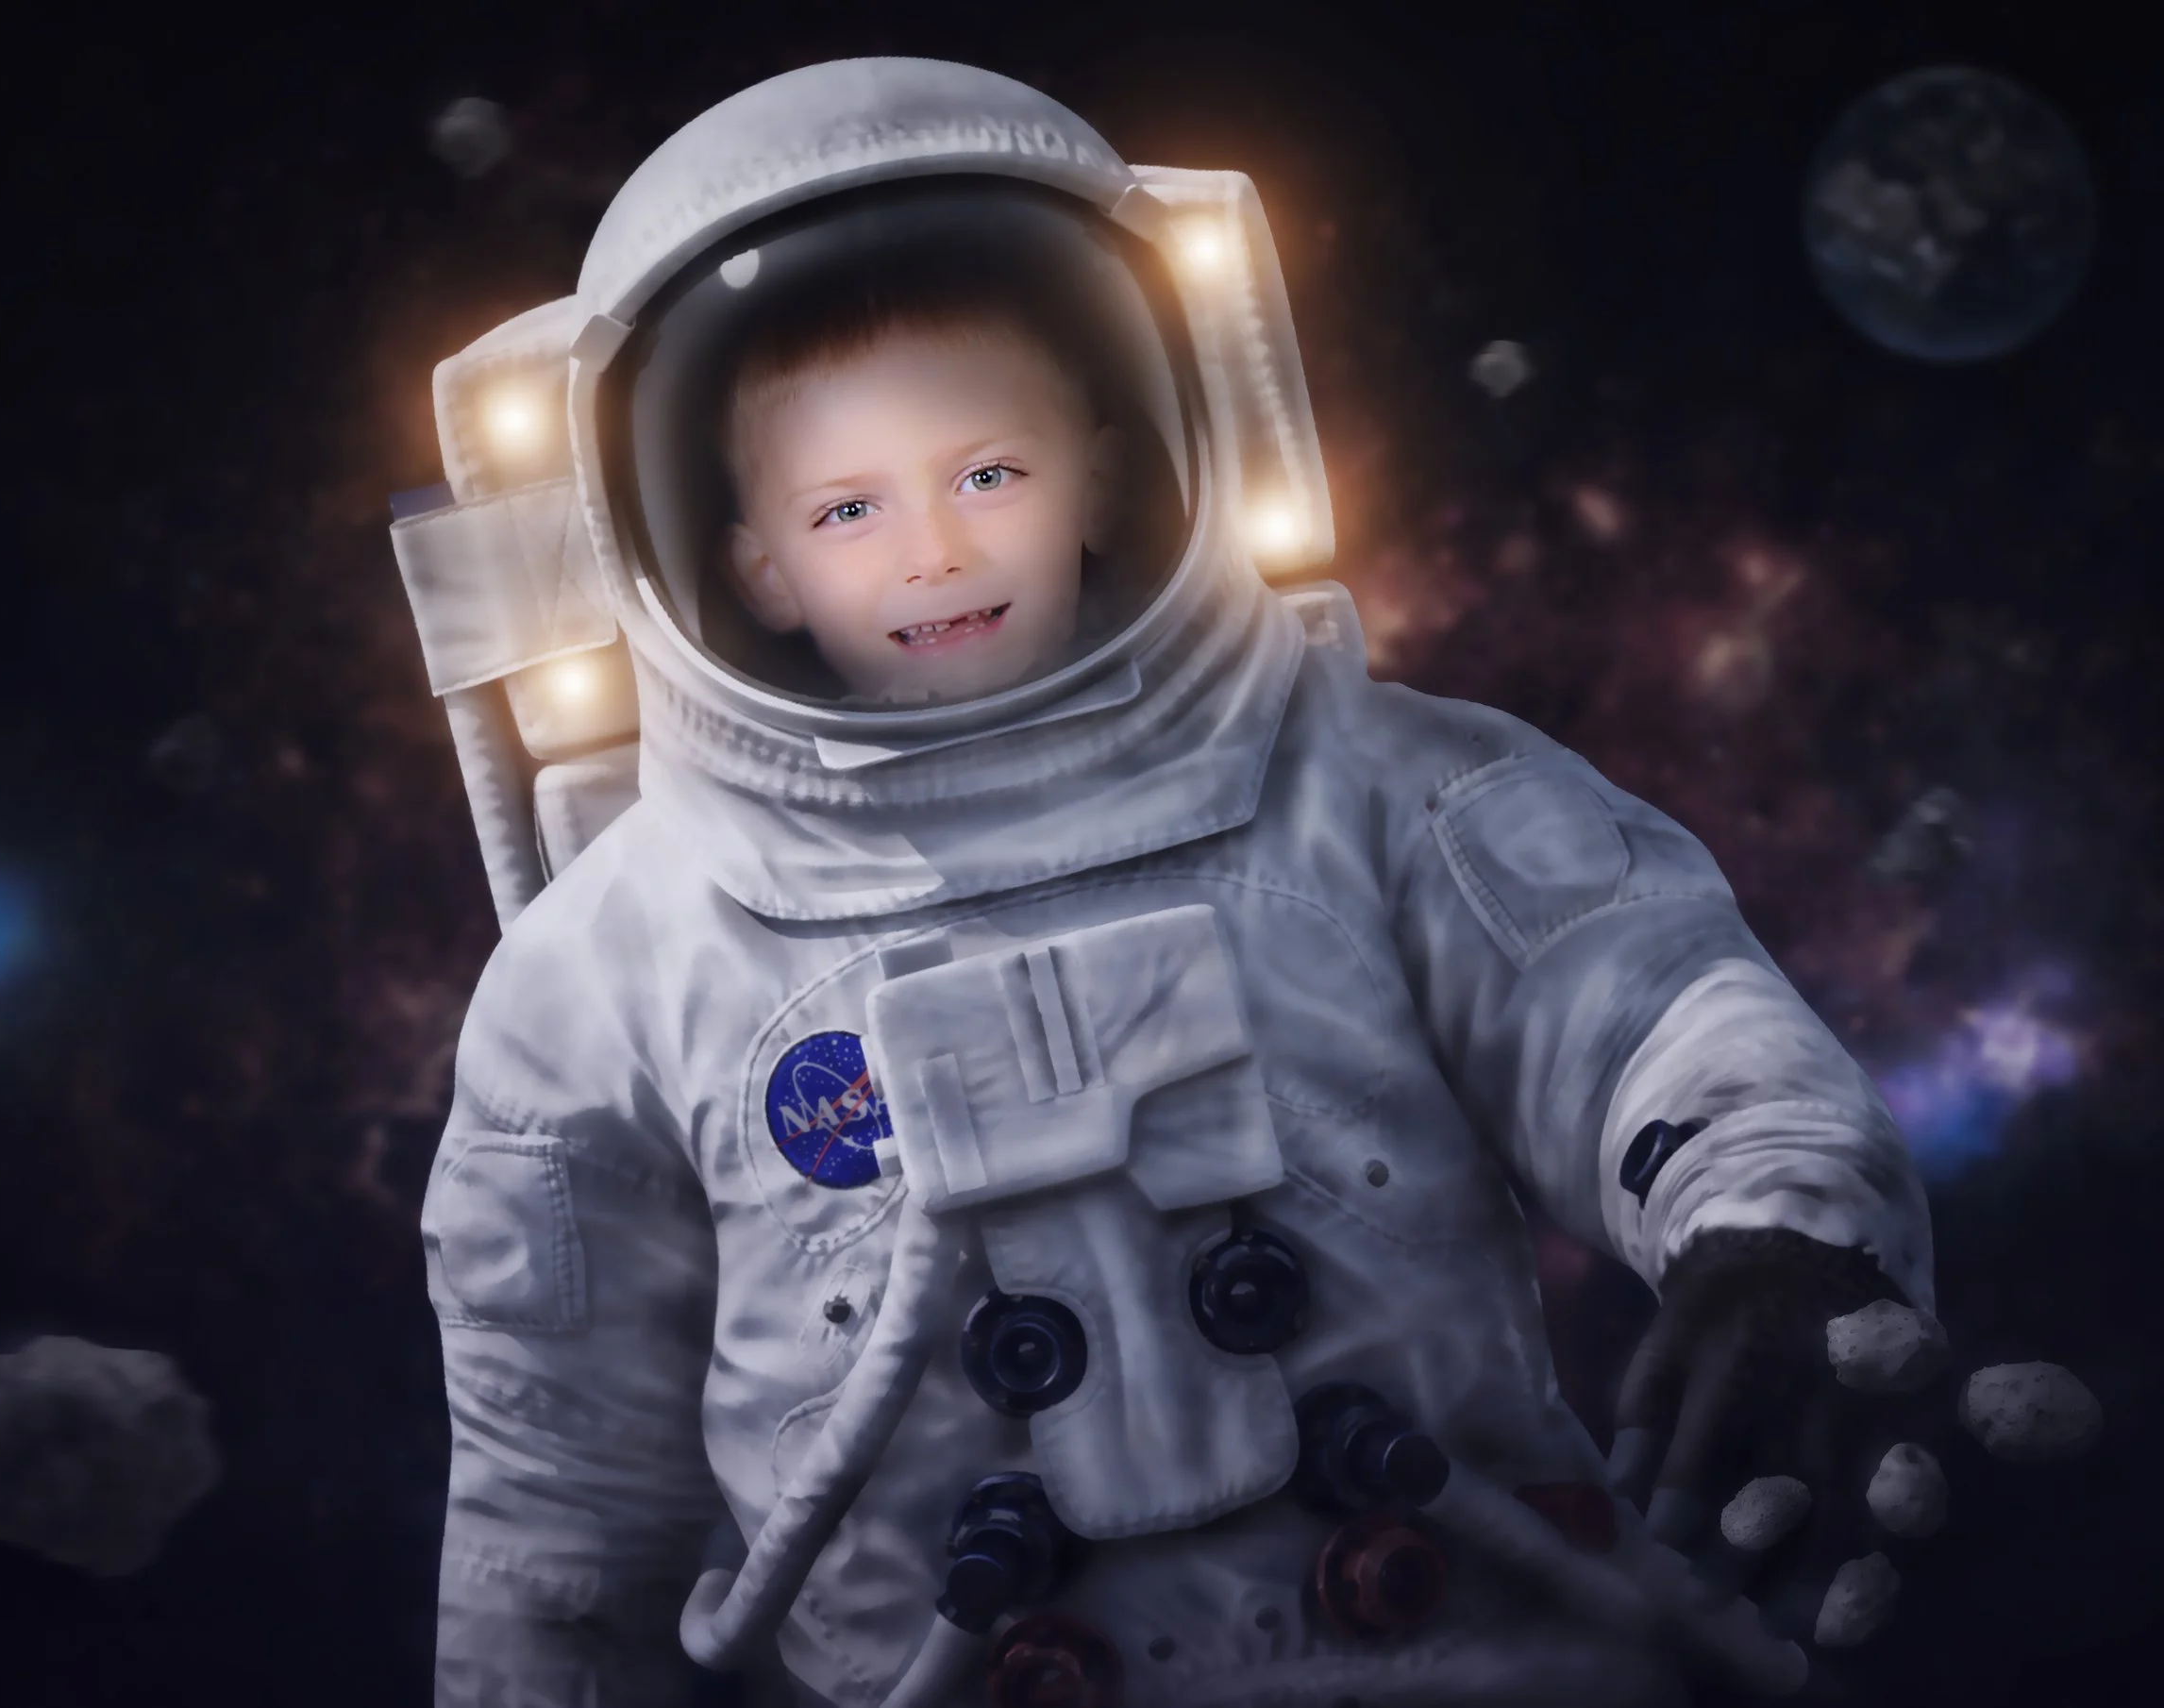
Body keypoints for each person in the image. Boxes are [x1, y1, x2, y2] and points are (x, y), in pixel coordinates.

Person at [417, 58, 2032, 1708]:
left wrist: (1772, 1242)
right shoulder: (615, 969)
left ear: (1114, 463)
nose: (935, 552)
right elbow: (556, 1514)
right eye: (849, 509)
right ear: (746, 565)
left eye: (990, 471)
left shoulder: (1376, 789)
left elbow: (1647, 1016)